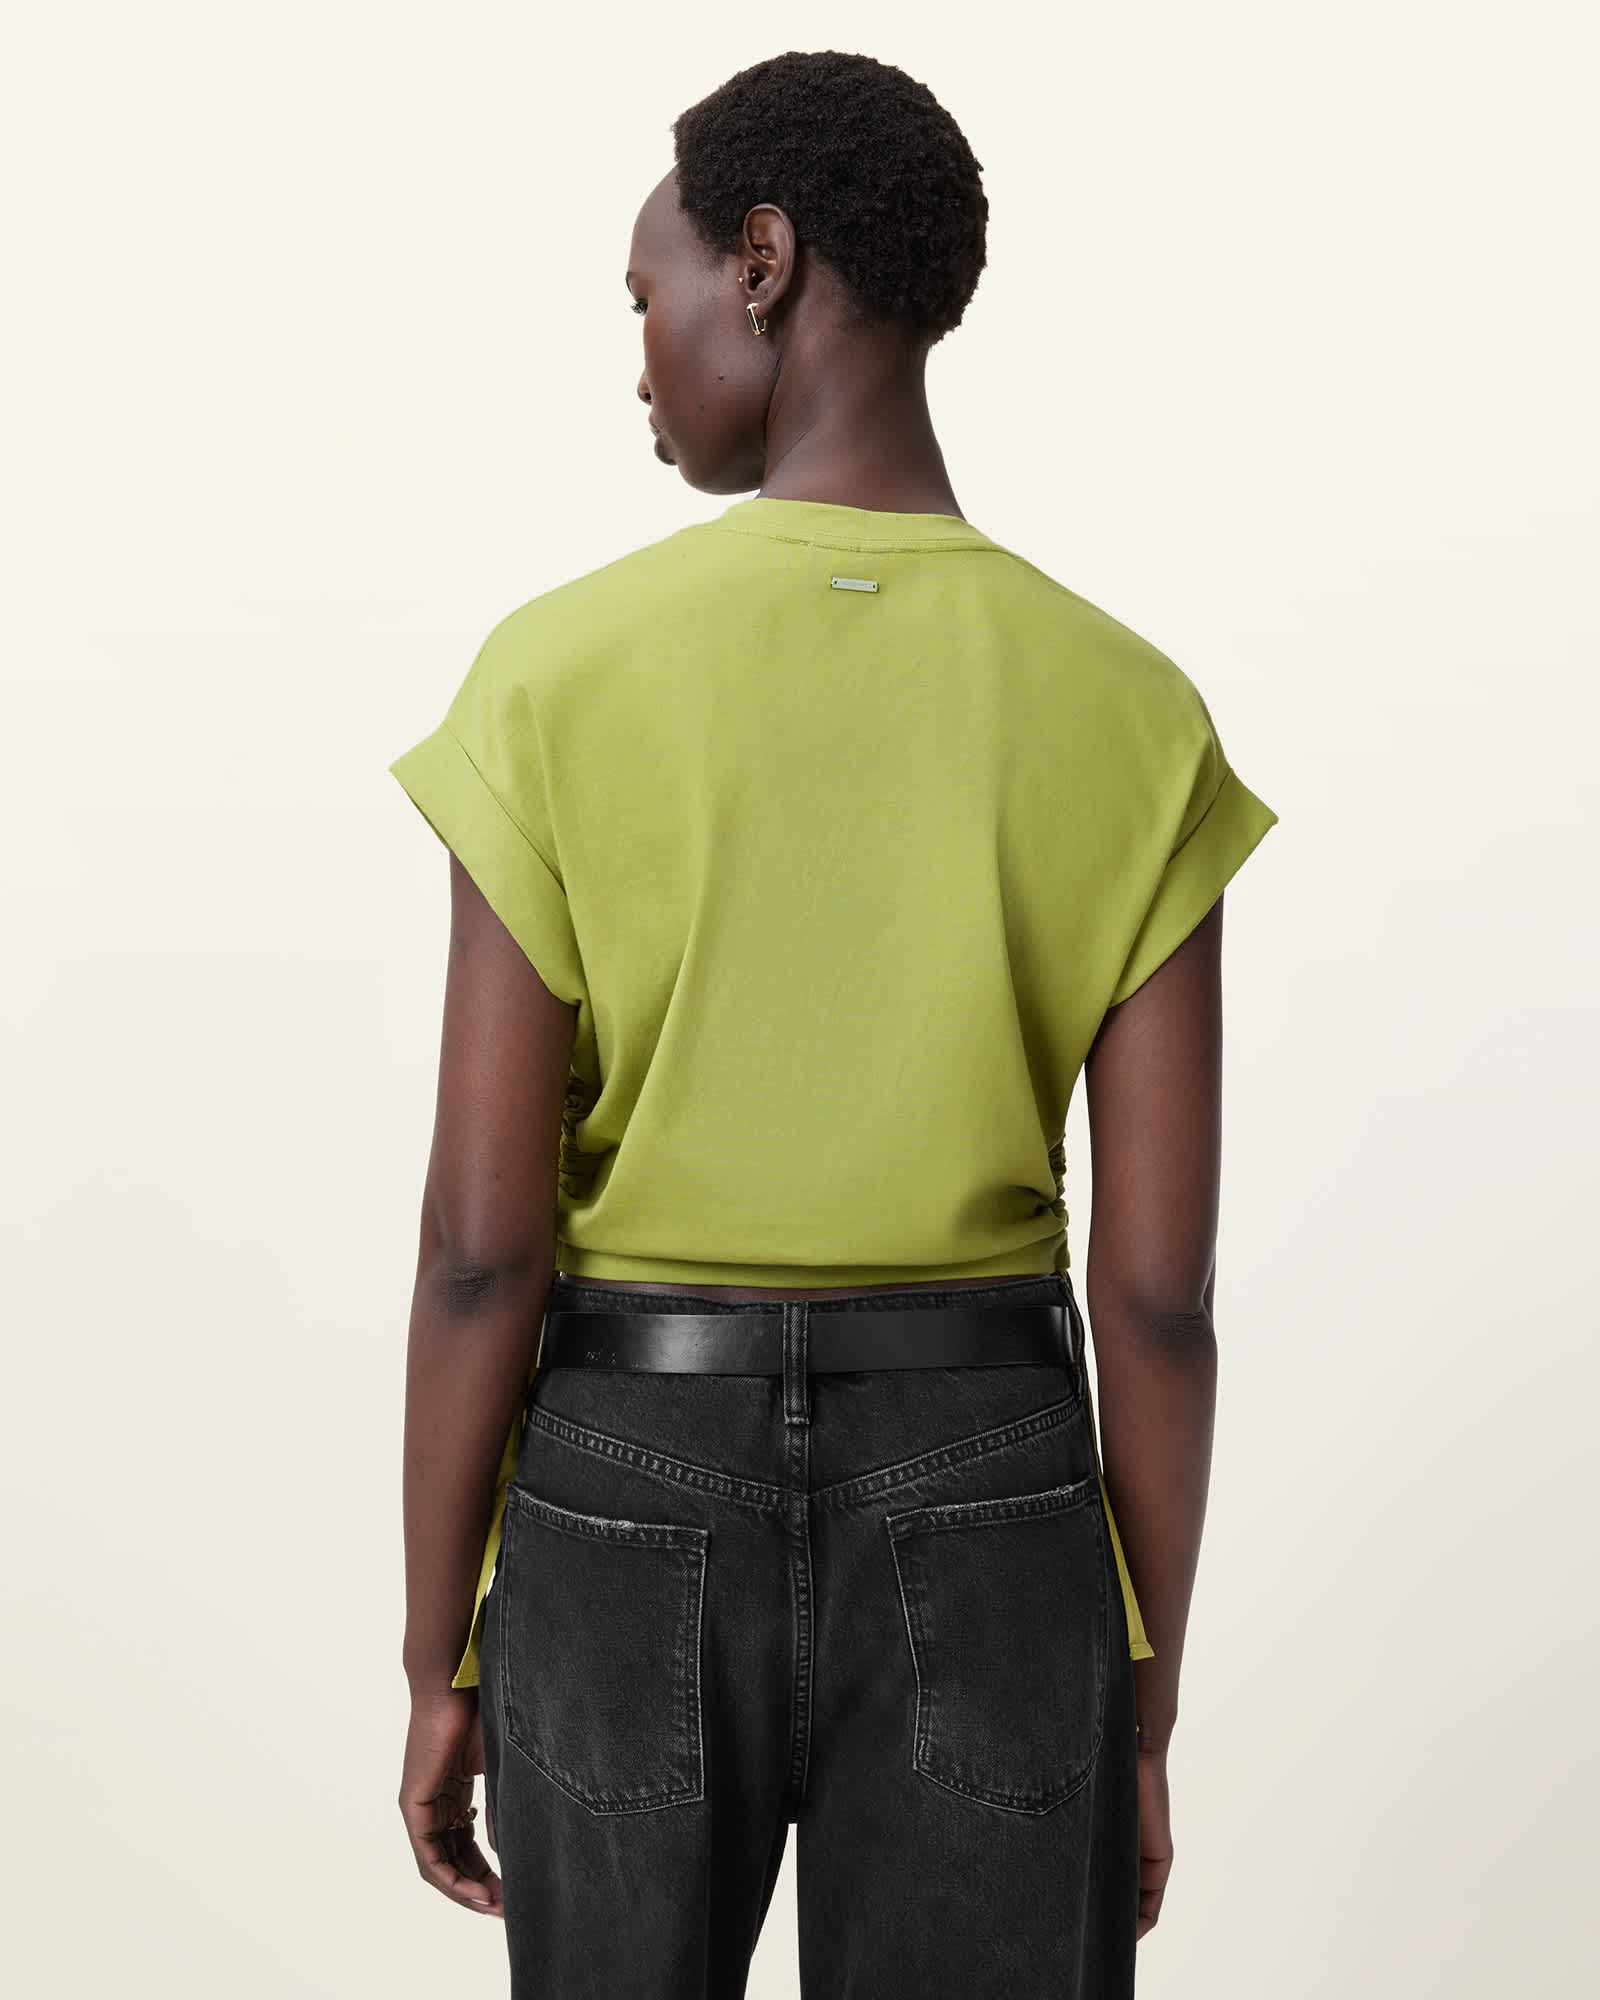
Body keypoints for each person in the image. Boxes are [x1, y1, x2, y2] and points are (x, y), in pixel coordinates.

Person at [389, 48, 1278, 2000]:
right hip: (990, 1472)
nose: (639, 360)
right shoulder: (1128, 710)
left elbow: (477, 1249)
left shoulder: (553, 679)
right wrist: (1135, 1690)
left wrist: (442, 1651)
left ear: (764, 261)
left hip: (625, 1471)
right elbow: (1156, 1299)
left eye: (648, 293)